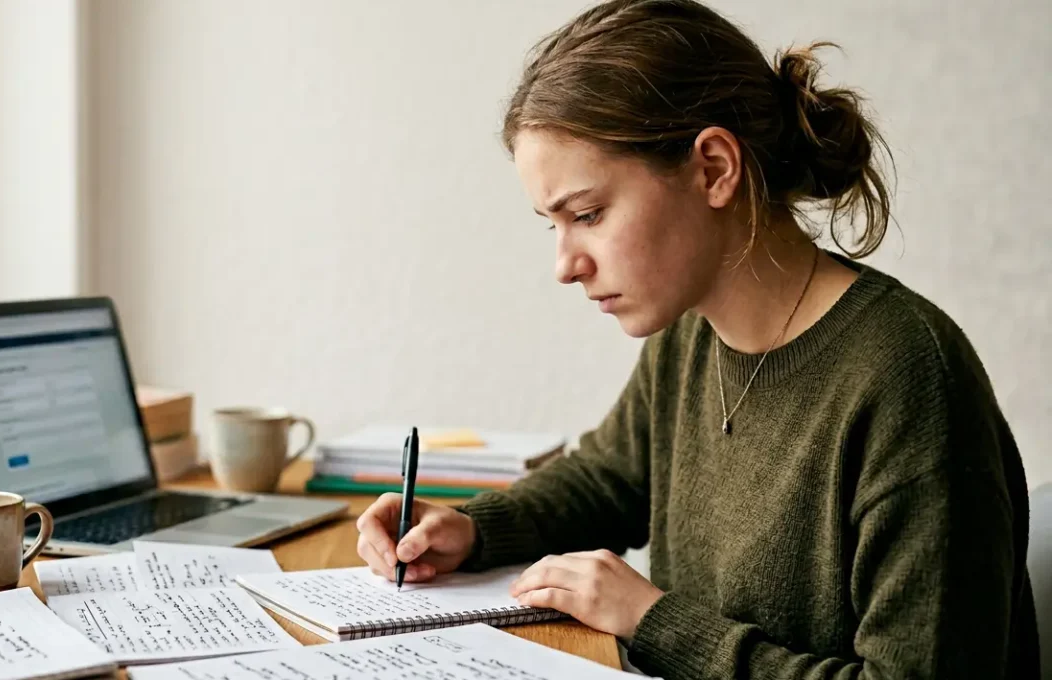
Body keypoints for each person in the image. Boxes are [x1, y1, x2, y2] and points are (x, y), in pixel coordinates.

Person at [353, 0, 1039, 676]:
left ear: (713, 168)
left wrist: (654, 621)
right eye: (552, 224)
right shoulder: (691, 331)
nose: (565, 265)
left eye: (588, 214)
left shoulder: (908, 378)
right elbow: (610, 479)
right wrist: (473, 529)